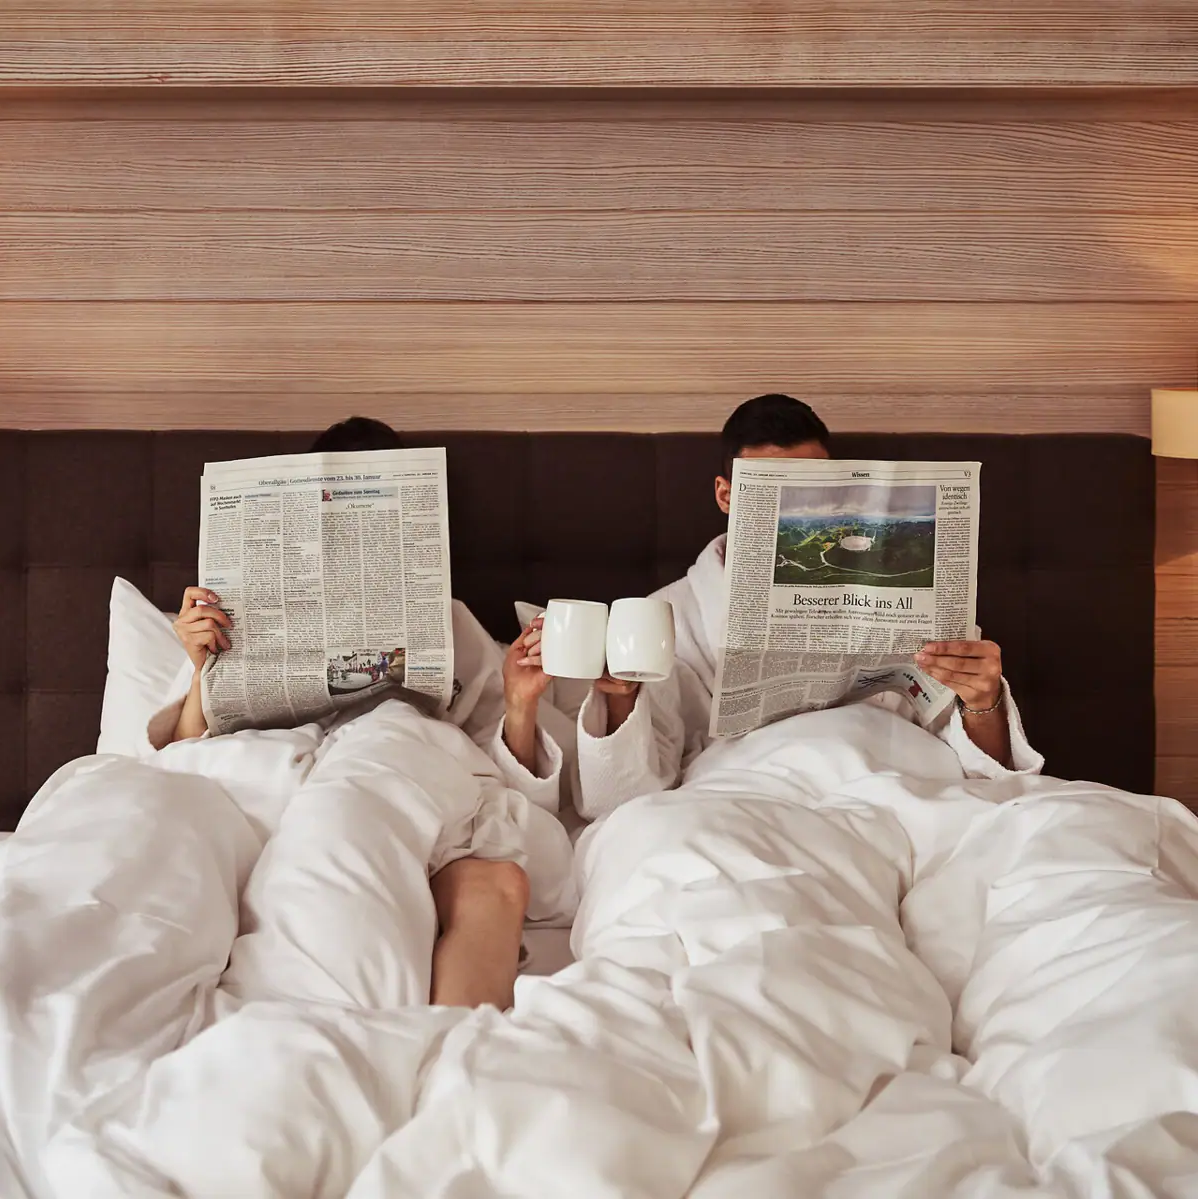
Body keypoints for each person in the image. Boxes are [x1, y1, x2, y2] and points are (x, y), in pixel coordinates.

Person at [158, 417, 569, 1010]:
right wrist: (200, 668)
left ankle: (437, 1063)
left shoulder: (444, 618)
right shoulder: (231, 613)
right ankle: (332, 1026)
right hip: (272, 788)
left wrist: (519, 703)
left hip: (411, 779)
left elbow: (510, 780)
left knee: (499, 884)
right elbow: (181, 756)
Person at [517, 393, 1043, 822]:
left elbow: (991, 772)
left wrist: (984, 699)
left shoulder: (909, 598)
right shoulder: (665, 616)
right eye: (771, 490)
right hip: (750, 799)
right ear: (726, 495)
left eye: (811, 487)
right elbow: (620, 803)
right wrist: (620, 700)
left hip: (901, 790)